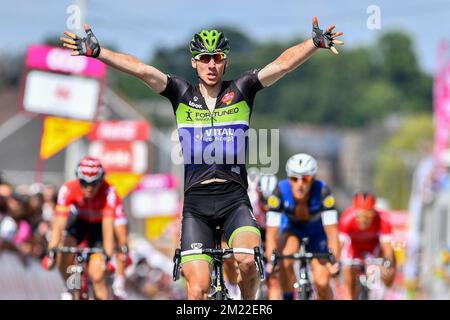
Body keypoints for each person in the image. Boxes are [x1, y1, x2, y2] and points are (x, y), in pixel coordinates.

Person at [60, 17, 343, 300]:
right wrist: (99, 53)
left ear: (225, 62)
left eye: (217, 58)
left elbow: (281, 65)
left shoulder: (241, 90)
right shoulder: (181, 93)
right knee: (198, 290)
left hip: (234, 199)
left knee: (247, 260)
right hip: (196, 203)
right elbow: (142, 71)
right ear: (194, 62)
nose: (211, 65)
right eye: (204, 58)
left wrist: (312, 44)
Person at [265, 153, 341, 300]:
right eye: (294, 178)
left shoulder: (323, 192)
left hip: (316, 233)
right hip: (293, 230)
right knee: (285, 257)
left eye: (305, 178)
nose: (300, 184)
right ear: (289, 178)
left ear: (312, 179)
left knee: (322, 283)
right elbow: (271, 233)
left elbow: (332, 233)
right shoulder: (279, 191)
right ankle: (288, 296)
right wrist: (271, 261)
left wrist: (334, 261)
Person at [41, 156, 118, 300]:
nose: (89, 188)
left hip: (99, 228)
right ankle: (69, 285)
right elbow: (59, 224)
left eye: (94, 184)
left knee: (97, 275)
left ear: (100, 181)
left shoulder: (109, 192)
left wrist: (108, 257)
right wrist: (51, 252)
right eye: (84, 183)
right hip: (79, 223)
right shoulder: (68, 188)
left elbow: (108, 228)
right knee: (64, 247)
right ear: (78, 179)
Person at [338, 191, 396, 300]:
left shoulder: (382, 220)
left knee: (385, 275)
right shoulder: (347, 219)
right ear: (354, 212)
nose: (364, 220)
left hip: (372, 252)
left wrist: (387, 264)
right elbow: (339, 244)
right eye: (360, 215)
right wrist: (335, 261)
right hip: (353, 252)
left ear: (374, 212)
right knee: (349, 282)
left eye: (368, 215)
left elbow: (387, 248)